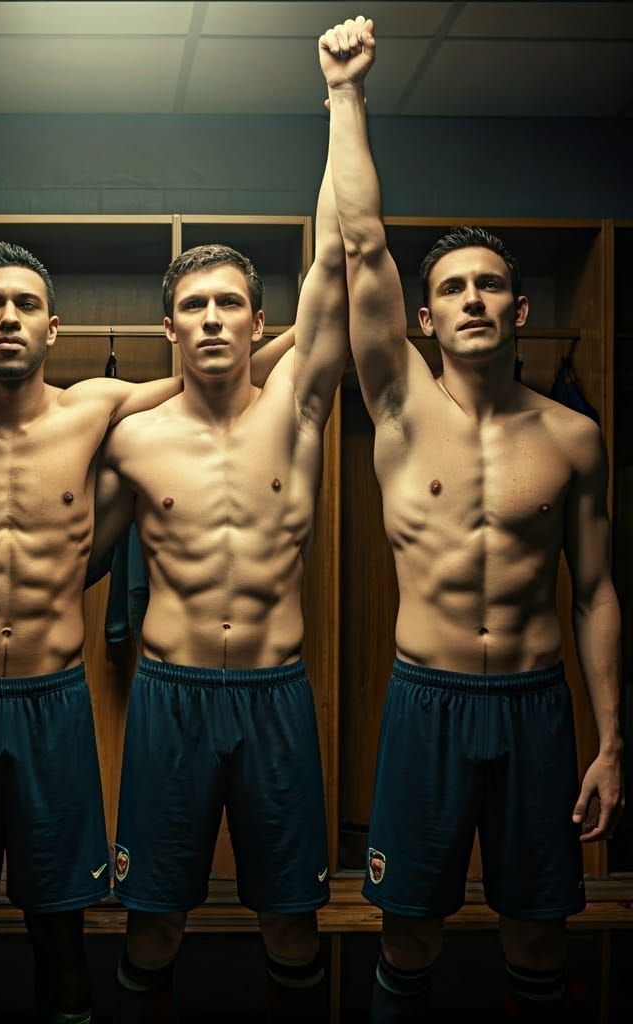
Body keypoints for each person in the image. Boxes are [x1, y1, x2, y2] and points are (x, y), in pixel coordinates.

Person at [320, 17, 624, 1021]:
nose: (473, 298)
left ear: (522, 309)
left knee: (539, 930)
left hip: (538, 707)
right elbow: (360, 241)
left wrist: (612, 741)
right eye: (451, 287)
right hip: (428, 704)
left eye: (492, 283)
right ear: (422, 317)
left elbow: (594, 591)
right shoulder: (399, 405)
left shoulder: (573, 438)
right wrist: (345, 97)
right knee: (407, 927)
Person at [0, 241, 201, 1024]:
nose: (9, 317)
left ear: (54, 326)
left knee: (62, 936)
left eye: (26, 304)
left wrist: (311, 317)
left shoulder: (94, 409)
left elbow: (222, 367)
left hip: (54, 706)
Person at [93, 127, 348, 1023]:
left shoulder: (299, 409)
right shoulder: (132, 440)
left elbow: (339, 263)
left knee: (291, 926)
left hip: (276, 695)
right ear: (169, 327)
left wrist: (343, 99)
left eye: (228, 304)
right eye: (193, 306)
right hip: (171, 697)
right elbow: (68, 556)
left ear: (259, 323)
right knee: (153, 925)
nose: (210, 319)